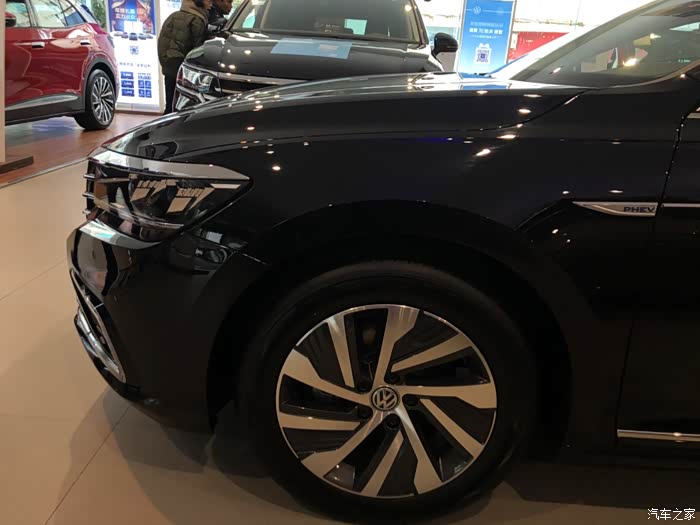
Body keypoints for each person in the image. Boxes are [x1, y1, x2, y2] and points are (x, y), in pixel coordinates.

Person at [158, 0, 212, 115]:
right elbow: (198, 51)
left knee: (170, 105)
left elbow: (162, 43)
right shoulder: (197, 20)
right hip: (183, 70)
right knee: (182, 107)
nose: (211, 4)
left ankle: (166, 124)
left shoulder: (173, 16)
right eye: (209, 0)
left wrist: (165, 63)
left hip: (168, 64)